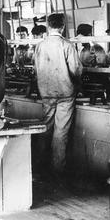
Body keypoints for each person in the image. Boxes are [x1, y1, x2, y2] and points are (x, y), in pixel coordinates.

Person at [33, 13, 83, 175]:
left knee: (45, 128)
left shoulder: (40, 45)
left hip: (46, 93)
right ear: (62, 26)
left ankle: (39, 167)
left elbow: (36, 69)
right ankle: (57, 171)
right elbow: (76, 70)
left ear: (48, 26)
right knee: (61, 132)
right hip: (65, 94)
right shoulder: (67, 45)